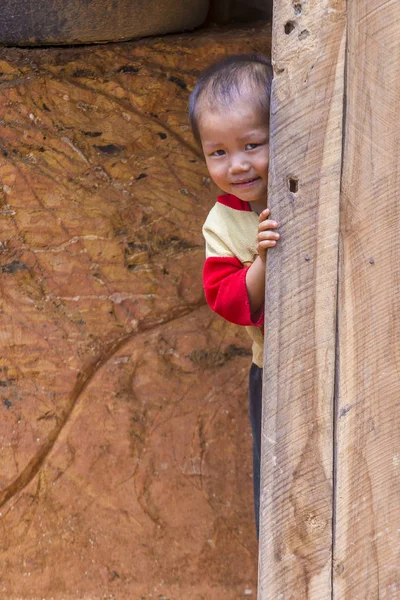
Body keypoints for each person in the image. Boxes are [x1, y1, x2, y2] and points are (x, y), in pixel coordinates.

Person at [189, 54, 280, 537]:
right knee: (278, 478)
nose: (237, 165)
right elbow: (225, 296)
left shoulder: (320, 185)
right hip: (275, 371)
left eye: (252, 144)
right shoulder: (222, 223)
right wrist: (263, 265)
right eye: (217, 152)